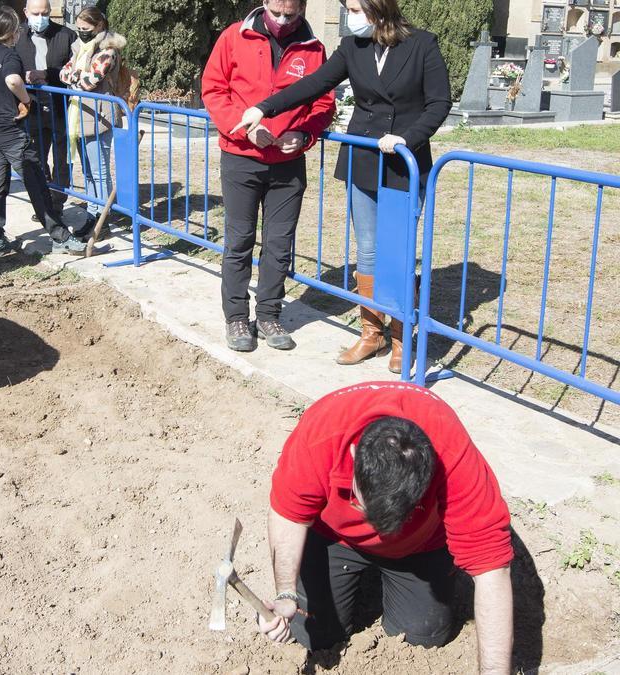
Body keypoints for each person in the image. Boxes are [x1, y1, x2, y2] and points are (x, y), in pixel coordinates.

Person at [231, 0, 452, 372]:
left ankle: (401, 337)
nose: (350, 17)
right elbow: (313, 84)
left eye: (355, 9)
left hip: (403, 162)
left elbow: (439, 102)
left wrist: (406, 138)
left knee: (396, 253)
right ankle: (372, 333)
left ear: (379, 9)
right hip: (364, 158)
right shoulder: (353, 47)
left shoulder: (422, 45)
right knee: (366, 251)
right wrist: (264, 108)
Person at [260, 381, 513, 674]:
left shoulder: (452, 455)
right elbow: (290, 515)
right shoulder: (322, 434)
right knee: (315, 634)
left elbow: (492, 570)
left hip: (418, 546)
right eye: (361, 504)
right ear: (354, 456)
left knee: (424, 637)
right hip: (335, 538)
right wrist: (286, 594)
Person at [201, 0, 335, 353]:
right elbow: (214, 90)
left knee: (278, 245)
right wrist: (243, 129)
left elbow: (323, 103)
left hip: (288, 163)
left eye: (290, 15)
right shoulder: (234, 37)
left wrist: (305, 134)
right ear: (264, 4)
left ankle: (270, 313)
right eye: (276, 13)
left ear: (302, 9)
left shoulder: (313, 48)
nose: (281, 21)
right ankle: (236, 317)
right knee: (240, 239)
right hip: (241, 157)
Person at [0, 5, 86, 255]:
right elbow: (13, 80)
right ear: (14, 31)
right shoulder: (9, 56)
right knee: (36, 182)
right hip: (10, 130)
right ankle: (60, 237)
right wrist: (25, 100)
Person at [59, 7, 127, 237]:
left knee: (99, 171)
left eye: (85, 29)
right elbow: (63, 74)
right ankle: (91, 211)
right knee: (87, 171)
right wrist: (75, 77)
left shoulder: (108, 50)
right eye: (78, 28)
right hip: (80, 113)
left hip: (100, 115)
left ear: (99, 26)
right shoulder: (79, 48)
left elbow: (90, 81)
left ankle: (102, 219)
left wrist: (75, 77)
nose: (81, 32)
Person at [15, 0, 75, 224]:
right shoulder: (17, 35)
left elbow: (73, 68)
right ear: (26, 12)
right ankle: (43, 203)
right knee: (37, 158)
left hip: (60, 106)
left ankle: (57, 202)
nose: (40, 17)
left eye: (45, 13)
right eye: (36, 13)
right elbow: (9, 65)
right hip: (31, 108)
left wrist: (47, 74)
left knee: (61, 157)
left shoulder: (66, 35)